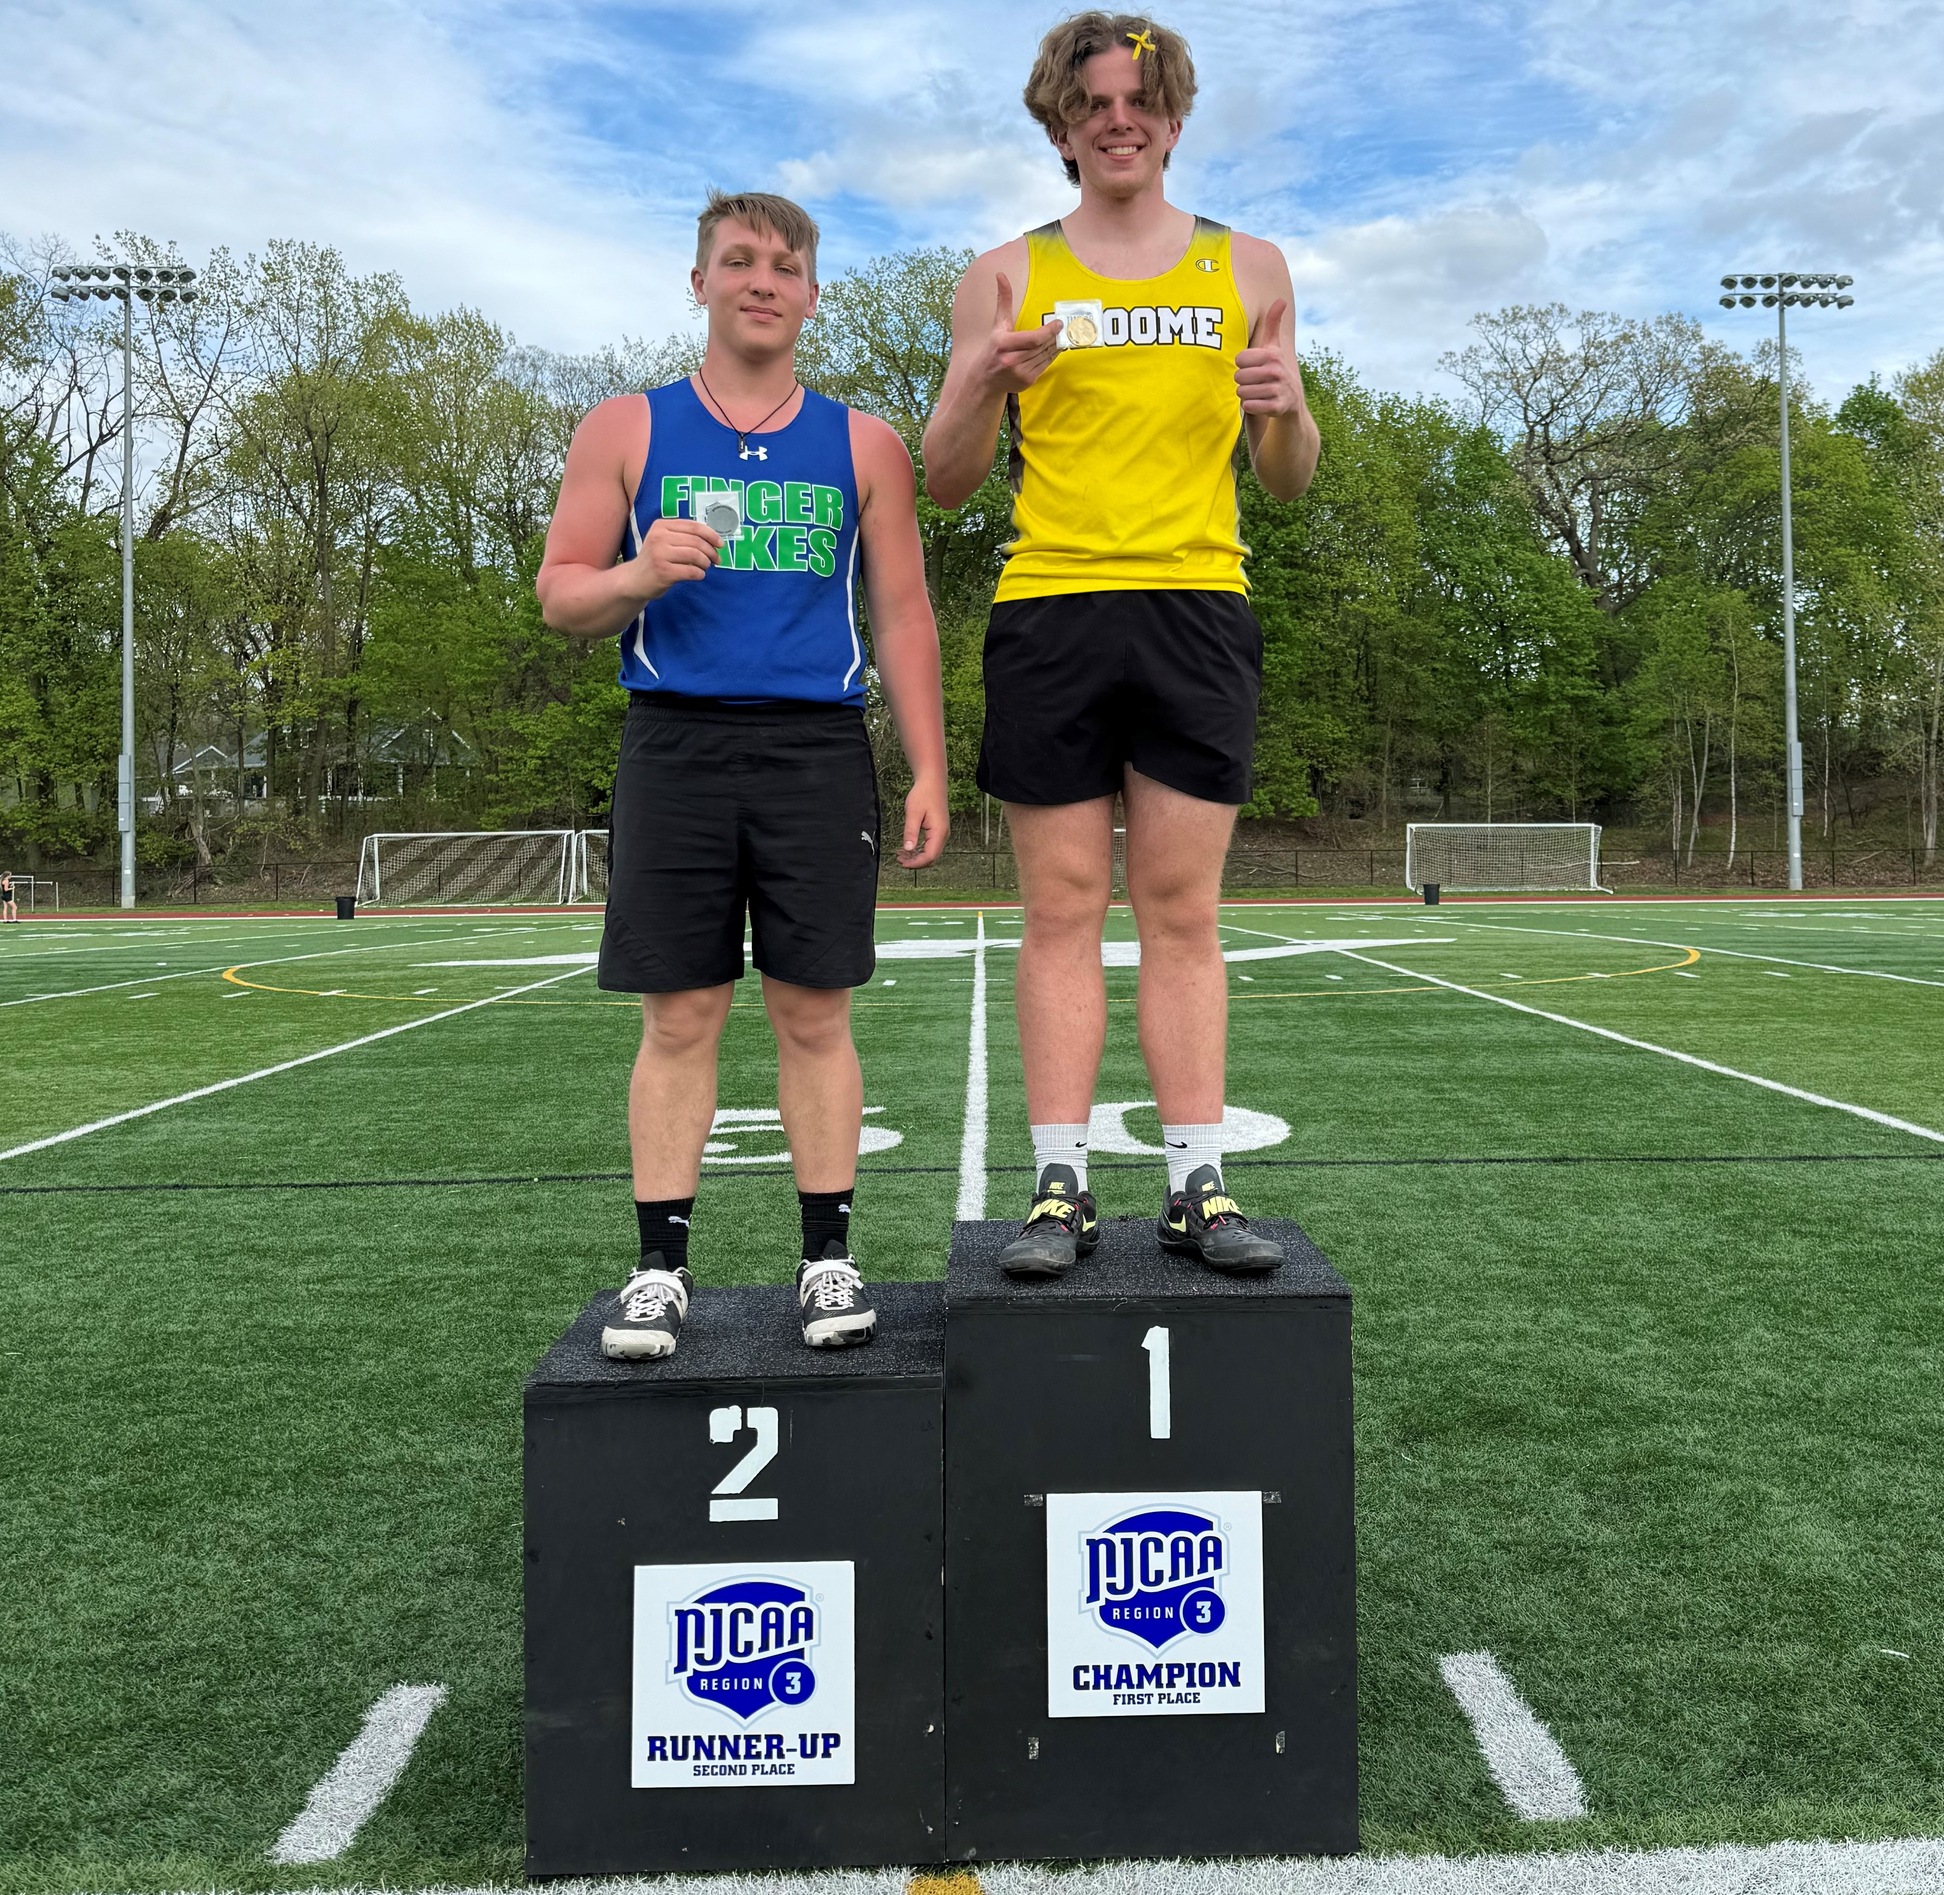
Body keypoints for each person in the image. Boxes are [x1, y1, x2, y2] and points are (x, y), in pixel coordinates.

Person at [922, 13, 1320, 1280]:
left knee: (1182, 910)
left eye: (1140, 100)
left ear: (1174, 116)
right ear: (1058, 123)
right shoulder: (1002, 274)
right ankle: (1059, 1186)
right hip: (1050, 608)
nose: (1118, 120)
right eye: (1091, 103)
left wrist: (1290, 411)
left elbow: (1291, 477)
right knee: (1059, 908)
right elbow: (944, 477)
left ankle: (1200, 1183)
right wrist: (985, 379)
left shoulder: (1251, 268)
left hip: (1200, 606)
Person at [537, 191, 949, 1359]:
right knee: (682, 1013)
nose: (762, 280)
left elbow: (904, 610)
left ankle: (828, 1255)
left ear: (813, 292)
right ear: (700, 280)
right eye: (739, 260)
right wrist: (633, 578)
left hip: (818, 747)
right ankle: (659, 1266)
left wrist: (928, 763)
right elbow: (561, 590)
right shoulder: (626, 426)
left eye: (784, 265)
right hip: (674, 741)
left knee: (814, 1011)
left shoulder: (865, 442)